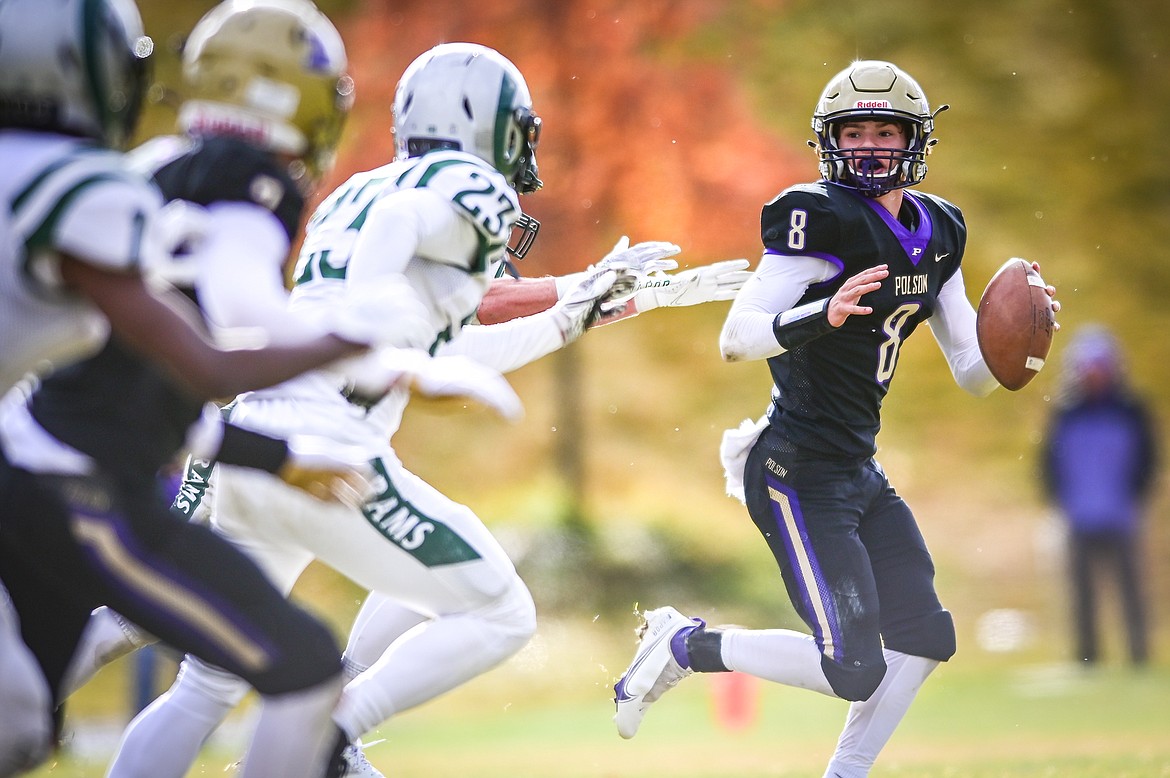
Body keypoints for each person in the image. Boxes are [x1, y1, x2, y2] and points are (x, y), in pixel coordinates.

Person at [91, 41, 748, 778]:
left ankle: (311, 740)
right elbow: (409, 246)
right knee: (502, 613)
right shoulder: (464, 186)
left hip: (261, 431)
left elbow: (455, 346)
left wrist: (589, 306)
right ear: (488, 122)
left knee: (205, 684)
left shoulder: (354, 191)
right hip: (326, 444)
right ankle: (330, 739)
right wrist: (382, 316)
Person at [0, 1, 453, 775]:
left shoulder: (150, 168)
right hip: (77, 489)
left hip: (50, 458)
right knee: (305, 667)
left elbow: (137, 382)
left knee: (20, 729)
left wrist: (270, 455)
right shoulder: (214, 180)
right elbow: (218, 346)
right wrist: (366, 346)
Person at [611, 60, 1060, 778]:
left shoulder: (940, 229)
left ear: (914, 140)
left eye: (887, 131)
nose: (872, 146)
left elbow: (974, 375)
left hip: (856, 467)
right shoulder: (817, 217)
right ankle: (683, 646)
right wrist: (823, 311)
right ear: (830, 140)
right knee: (852, 666)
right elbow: (736, 336)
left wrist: (1026, 341)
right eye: (856, 131)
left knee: (923, 637)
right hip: (795, 466)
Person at [1041, 324, 1157, 667]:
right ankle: (1087, 657)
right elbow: (1050, 463)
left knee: (1130, 589)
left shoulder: (1132, 411)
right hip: (1078, 514)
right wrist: (1060, 501)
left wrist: (1135, 497)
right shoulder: (1065, 413)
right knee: (1081, 594)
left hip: (1121, 513)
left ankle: (1138, 656)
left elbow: (1147, 461)